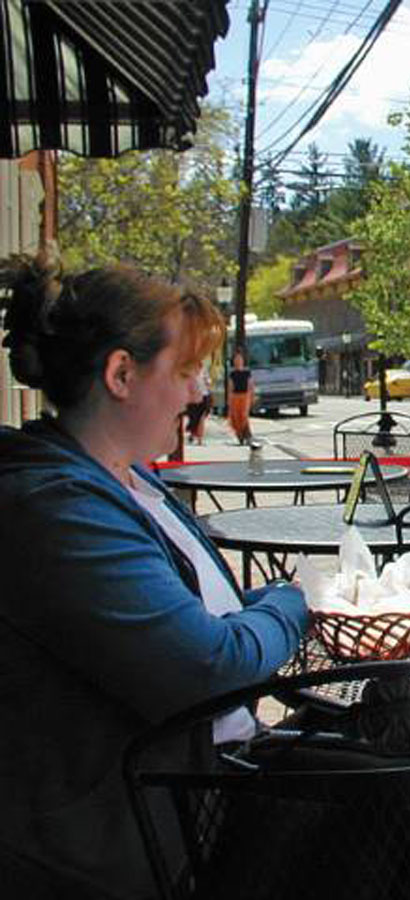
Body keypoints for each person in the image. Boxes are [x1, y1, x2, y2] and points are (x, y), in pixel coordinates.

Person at [0, 256, 310, 899]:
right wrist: (290, 603)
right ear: (121, 374)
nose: (199, 394)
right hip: (135, 845)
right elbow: (210, 669)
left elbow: (195, 618)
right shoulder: (57, 510)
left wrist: (260, 607)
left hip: (201, 794)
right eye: (188, 370)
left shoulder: (129, 481)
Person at [227, 346, 254, 444]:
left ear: (243, 361)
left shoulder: (247, 373)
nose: (238, 361)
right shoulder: (232, 374)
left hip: (245, 396)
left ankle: (247, 434)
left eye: (239, 359)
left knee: (243, 416)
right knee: (235, 418)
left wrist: (251, 398)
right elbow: (230, 387)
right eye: (236, 359)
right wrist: (229, 400)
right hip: (235, 396)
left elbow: (251, 386)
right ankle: (240, 435)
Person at [184, 363, 212, 444]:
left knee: (201, 418)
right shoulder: (189, 371)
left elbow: (208, 381)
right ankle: (192, 434)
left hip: (204, 396)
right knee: (194, 417)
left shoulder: (204, 370)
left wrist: (208, 383)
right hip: (193, 397)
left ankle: (200, 439)